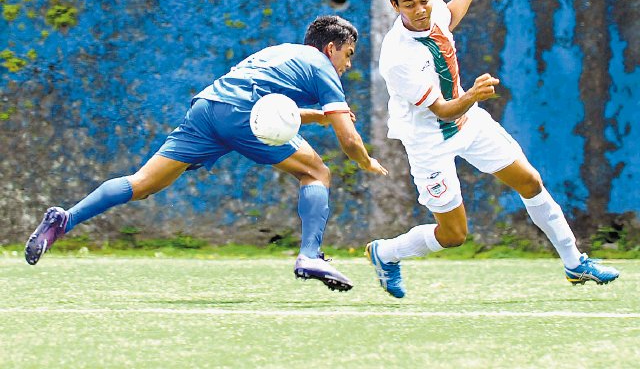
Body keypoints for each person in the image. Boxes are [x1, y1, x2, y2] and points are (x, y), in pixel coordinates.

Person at [25, 15, 388, 292]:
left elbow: (272, 105)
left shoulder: (278, 52)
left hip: (208, 107)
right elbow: (349, 139)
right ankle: (310, 255)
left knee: (143, 183)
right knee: (317, 173)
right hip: (243, 114)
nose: (348, 64)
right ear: (331, 48)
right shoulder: (322, 66)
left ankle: (65, 219)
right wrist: (364, 161)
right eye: (349, 55)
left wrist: (316, 117)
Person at [365, 0, 619, 298]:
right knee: (454, 235)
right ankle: (385, 253)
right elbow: (441, 109)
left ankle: (575, 263)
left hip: (468, 122)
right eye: (409, 5)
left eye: (424, 0)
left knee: (530, 181)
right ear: (395, 6)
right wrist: (472, 95)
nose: (420, 10)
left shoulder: (433, 9)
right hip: (429, 139)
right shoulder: (397, 58)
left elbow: (449, 15)